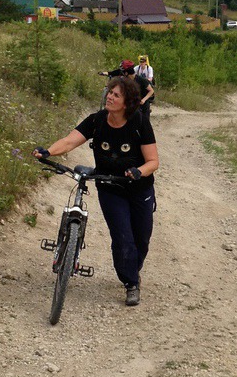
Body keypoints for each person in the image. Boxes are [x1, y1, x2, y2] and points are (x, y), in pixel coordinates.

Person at [33, 76, 158, 307]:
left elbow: (153, 161)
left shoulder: (139, 123)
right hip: (110, 188)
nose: (110, 97)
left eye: (116, 95)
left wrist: (139, 171)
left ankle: (133, 268)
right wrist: (48, 151)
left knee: (141, 238)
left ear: (127, 102)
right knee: (122, 237)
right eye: (110, 92)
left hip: (139, 189)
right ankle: (131, 282)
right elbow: (69, 142)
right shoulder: (96, 121)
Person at [134, 54, 155, 119]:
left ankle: (149, 102)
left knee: (149, 90)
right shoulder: (137, 68)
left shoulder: (149, 68)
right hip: (139, 83)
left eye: (143, 62)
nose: (141, 63)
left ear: (145, 62)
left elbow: (150, 78)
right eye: (140, 62)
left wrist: (143, 81)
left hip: (146, 83)